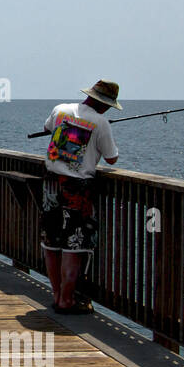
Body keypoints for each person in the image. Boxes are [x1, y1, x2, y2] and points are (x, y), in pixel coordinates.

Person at [40, 80, 121, 315]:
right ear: (104, 104)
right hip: (78, 190)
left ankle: (56, 295)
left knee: (51, 242)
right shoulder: (101, 122)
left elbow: (47, 128)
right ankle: (66, 300)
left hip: (51, 185)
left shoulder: (60, 110)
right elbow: (112, 158)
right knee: (73, 245)